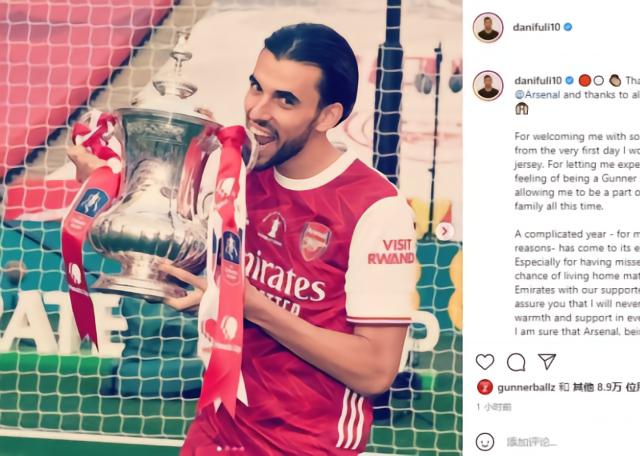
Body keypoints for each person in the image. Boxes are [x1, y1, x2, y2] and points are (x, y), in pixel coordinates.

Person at [68, 23, 416, 455]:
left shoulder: (375, 208)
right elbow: (189, 261)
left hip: (305, 447)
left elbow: (375, 371)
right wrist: (114, 191)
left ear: (328, 116)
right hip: (214, 433)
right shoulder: (237, 172)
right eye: (256, 87)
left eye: (285, 100)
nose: (258, 111)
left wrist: (252, 306)